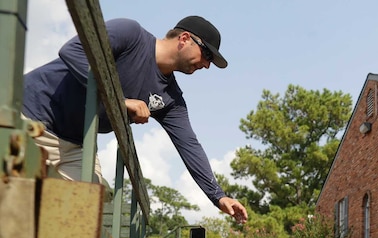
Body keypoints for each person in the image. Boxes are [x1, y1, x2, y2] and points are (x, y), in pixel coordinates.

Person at [23, 16, 248, 224]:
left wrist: (218, 196)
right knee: (15, 199)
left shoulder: (171, 99)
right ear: (185, 39)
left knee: (88, 207)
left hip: (76, 144)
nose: (207, 65)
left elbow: (189, 144)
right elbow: (73, 51)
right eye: (207, 55)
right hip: (32, 115)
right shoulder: (130, 35)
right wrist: (119, 100)